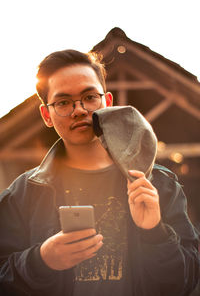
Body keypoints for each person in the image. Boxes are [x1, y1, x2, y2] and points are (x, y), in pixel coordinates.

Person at [0, 49, 199, 296]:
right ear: (46, 115)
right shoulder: (23, 195)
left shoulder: (158, 184)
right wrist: (40, 261)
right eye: (63, 102)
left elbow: (185, 283)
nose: (80, 110)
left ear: (108, 101)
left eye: (90, 97)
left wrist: (155, 233)